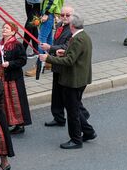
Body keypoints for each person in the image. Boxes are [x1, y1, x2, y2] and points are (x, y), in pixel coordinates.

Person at [40, 13, 96, 149]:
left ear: (72, 25)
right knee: (75, 108)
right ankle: (88, 132)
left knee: (72, 111)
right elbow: (74, 55)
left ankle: (76, 140)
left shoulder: (77, 39)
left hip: (74, 80)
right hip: (80, 78)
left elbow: (70, 61)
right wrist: (63, 53)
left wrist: (48, 58)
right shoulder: (83, 36)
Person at [0, 23, 32, 135]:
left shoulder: (17, 45)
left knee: (14, 101)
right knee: (3, 101)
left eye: (7, 28)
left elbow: (22, 60)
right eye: (3, 27)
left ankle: (19, 124)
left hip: (12, 78)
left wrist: (10, 63)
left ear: (13, 32)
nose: (4, 29)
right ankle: (6, 122)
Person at [35, 0, 67, 76]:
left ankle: (40, 63)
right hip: (51, 11)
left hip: (49, 11)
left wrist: (47, 13)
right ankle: (49, 62)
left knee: (42, 39)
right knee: (49, 38)